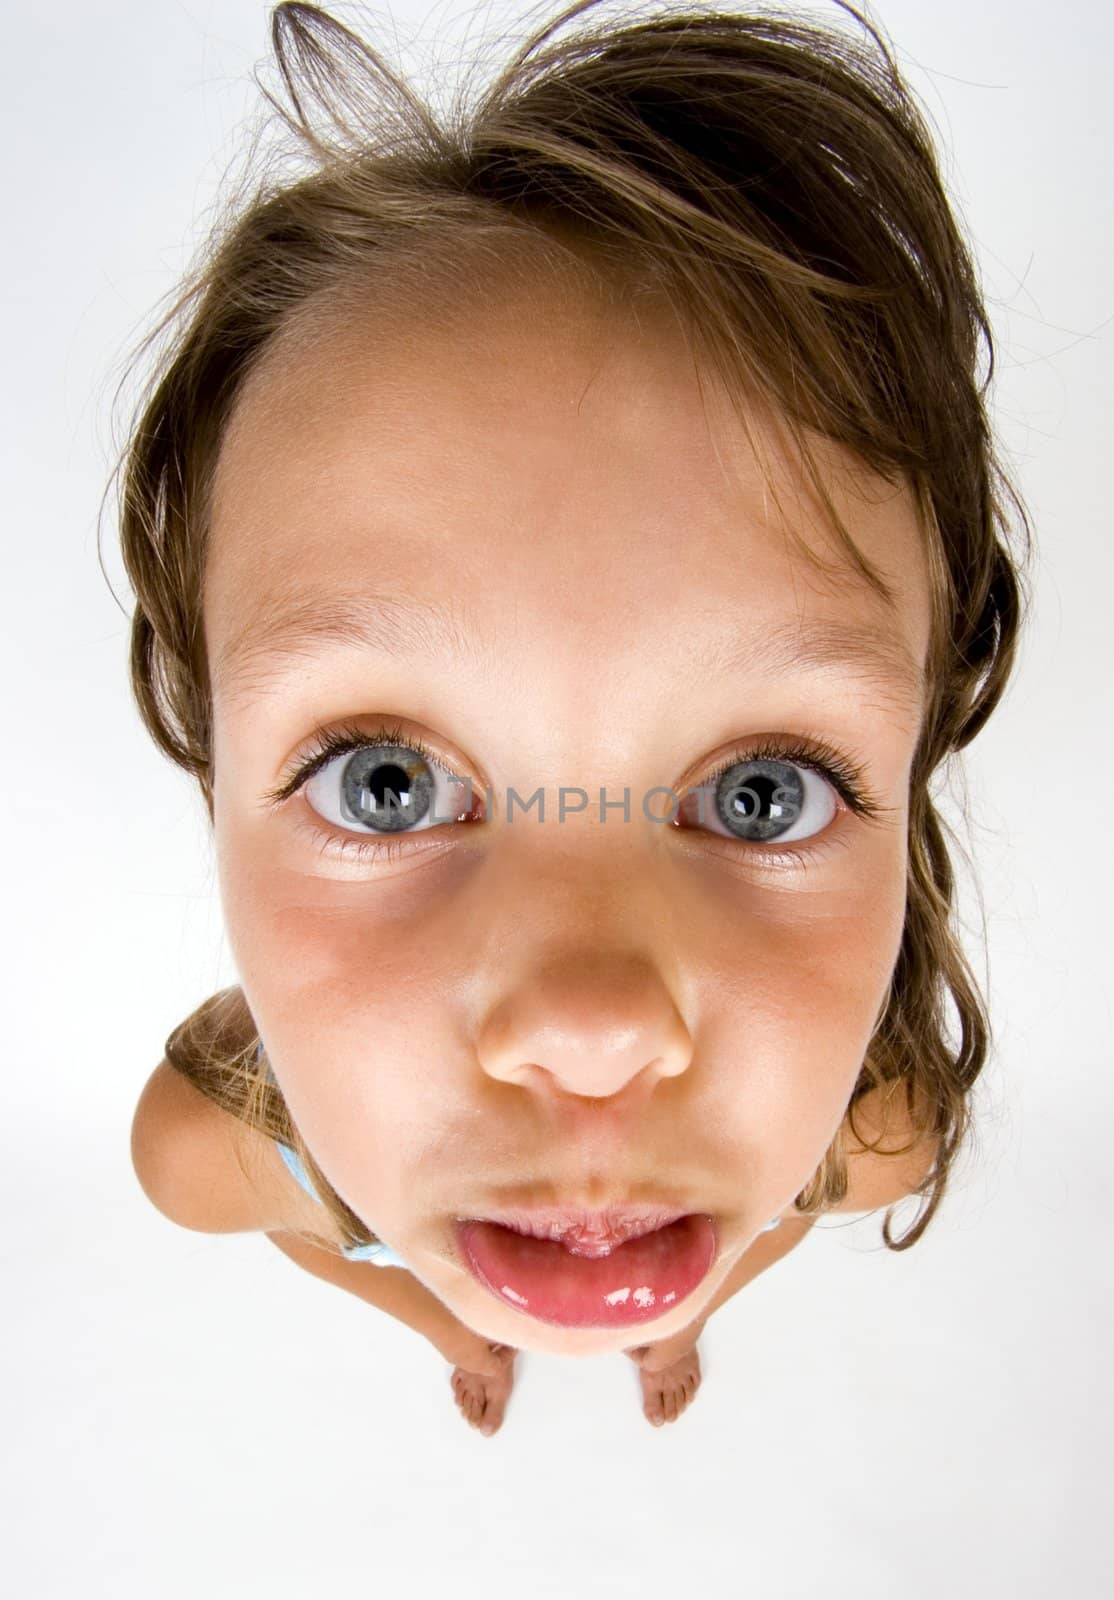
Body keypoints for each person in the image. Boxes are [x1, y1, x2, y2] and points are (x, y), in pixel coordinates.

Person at [123, 0, 1033, 1439]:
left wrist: (691, 1294)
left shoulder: (873, 1137)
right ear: (210, 761)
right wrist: (440, 1321)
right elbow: (313, 1238)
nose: (592, 1035)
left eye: (764, 793)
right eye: (385, 785)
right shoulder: (213, 1153)